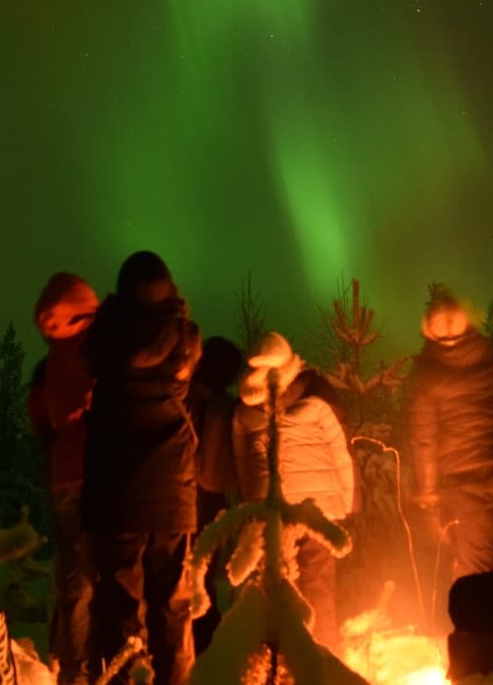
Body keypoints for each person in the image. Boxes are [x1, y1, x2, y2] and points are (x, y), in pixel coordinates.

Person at [82, 251, 202, 685]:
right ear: (169, 290)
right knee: (173, 608)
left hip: (116, 494)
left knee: (120, 610)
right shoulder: (186, 338)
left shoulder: (102, 340)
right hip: (172, 489)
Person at [232, 331, 354, 649]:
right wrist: (345, 500)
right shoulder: (317, 405)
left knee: (277, 589)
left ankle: (285, 665)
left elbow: (244, 467)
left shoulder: (246, 416)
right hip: (320, 511)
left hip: (275, 514)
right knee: (318, 589)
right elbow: (340, 454)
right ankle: (322, 661)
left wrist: (253, 506)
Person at [403, 284, 493, 583]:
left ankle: (480, 626)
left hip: (463, 485)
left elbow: (424, 439)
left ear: (429, 331)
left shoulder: (428, 376)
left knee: (474, 567)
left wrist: (428, 493)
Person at [27, 272, 100, 685]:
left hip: (62, 479)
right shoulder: (96, 351)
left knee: (73, 578)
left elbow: (39, 420)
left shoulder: (48, 363)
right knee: (97, 580)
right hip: (96, 474)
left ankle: (70, 666)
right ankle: (88, 671)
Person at [188, 335, 244, 654]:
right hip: (211, 500)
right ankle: (209, 648)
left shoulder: (186, 399)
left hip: (188, 497)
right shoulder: (227, 408)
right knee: (202, 576)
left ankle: (200, 649)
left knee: (191, 577)